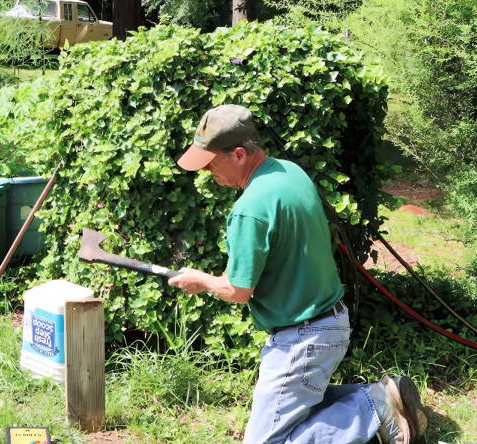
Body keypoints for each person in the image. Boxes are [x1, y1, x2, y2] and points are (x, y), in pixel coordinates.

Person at [168, 104, 427, 444]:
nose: (207, 171)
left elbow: (238, 290)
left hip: (303, 339)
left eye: (211, 161)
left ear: (240, 154)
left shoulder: (250, 210)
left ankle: (374, 406)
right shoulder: (289, 172)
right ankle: (382, 394)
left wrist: (200, 280)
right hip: (330, 322)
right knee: (298, 402)